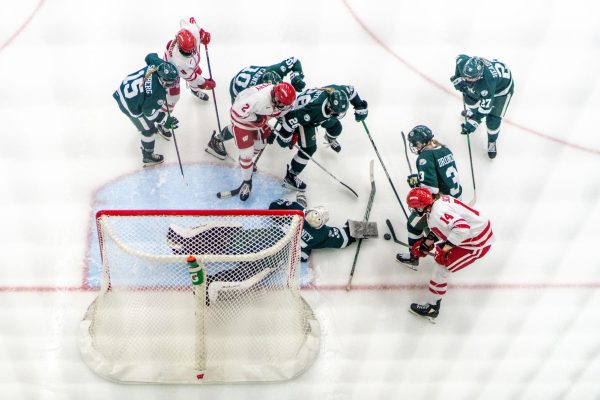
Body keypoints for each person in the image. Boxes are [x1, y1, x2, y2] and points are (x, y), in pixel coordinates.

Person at [403, 187, 494, 323]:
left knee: (441, 268)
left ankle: (432, 309)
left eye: (415, 207)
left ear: (421, 207)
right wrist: (426, 244)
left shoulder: (436, 213)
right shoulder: (439, 202)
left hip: (477, 243)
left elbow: (461, 229)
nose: (414, 210)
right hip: (475, 233)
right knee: (441, 256)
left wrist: (444, 250)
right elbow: (446, 227)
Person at [205, 57, 306, 160]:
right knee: (244, 123)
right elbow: (244, 113)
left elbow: (294, 60)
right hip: (239, 90)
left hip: (251, 79)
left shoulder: (276, 74)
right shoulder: (259, 97)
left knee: (268, 116)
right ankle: (217, 140)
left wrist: (296, 77)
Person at [271, 84, 369, 191]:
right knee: (309, 149)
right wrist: (284, 136)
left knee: (336, 127)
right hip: (305, 118)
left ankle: (329, 138)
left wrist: (360, 106)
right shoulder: (312, 110)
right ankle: (291, 176)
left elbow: (351, 90)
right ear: (329, 106)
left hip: (319, 112)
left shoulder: (339, 92)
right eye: (337, 112)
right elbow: (290, 118)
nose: (339, 114)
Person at [396, 125, 463, 268]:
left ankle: (414, 257)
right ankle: (436, 235)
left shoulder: (424, 157)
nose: (414, 146)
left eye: (415, 143)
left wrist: (416, 186)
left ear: (420, 143)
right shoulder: (445, 149)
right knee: (429, 225)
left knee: (413, 224)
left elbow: (430, 192)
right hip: (457, 200)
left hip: (443, 205)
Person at [227, 81, 297, 201]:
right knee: (247, 155)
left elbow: (283, 114)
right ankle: (247, 182)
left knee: (260, 144)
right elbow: (235, 112)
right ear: (274, 93)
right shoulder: (259, 99)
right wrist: (256, 119)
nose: (281, 105)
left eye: (284, 104)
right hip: (242, 120)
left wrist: (291, 133)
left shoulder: (284, 102)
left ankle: (246, 165)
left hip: (260, 117)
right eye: (279, 101)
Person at [113, 54, 180, 167]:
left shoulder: (159, 65)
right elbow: (149, 114)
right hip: (130, 106)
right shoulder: (156, 93)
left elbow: (149, 56)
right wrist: (165, 120)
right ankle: (148, 156)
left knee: (149, 123)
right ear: (162, 79)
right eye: (170, 83)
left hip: (125, 89)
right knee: (147, 130)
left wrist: (160, 63)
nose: (173, 84)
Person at [157, 17, 214, 140]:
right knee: (173, 97)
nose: (190, 53)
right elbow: (192, 78)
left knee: (197, 70)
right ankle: (160, 122)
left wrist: (202, 32)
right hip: (172, 72)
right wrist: (205, 83)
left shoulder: (190, 31)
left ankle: (194, 91)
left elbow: (189, 20)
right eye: (187, 52)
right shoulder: (179, 62)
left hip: (190, 66)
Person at [450, 54, 514, 159]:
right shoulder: (463, 62)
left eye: (472, 78)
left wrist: (474, 121)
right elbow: (458, 58)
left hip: (502, 91)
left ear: (480, 75)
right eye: (466, 76)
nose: (468, 80)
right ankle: (474, 112)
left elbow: (486, 107)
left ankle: (492, 141)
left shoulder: (487, 82)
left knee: (493, 120)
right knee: (469, 98)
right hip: (489, 81)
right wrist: (458, 78)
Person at [268, 193, 357, 262]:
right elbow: (341, 238)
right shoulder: (321, 233)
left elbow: (274, 206)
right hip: (279, 240)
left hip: (279, 242)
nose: (313, 219)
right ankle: (301, 202)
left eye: (317, 219)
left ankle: (301, 202)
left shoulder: (321, 233)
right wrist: (352, 233)